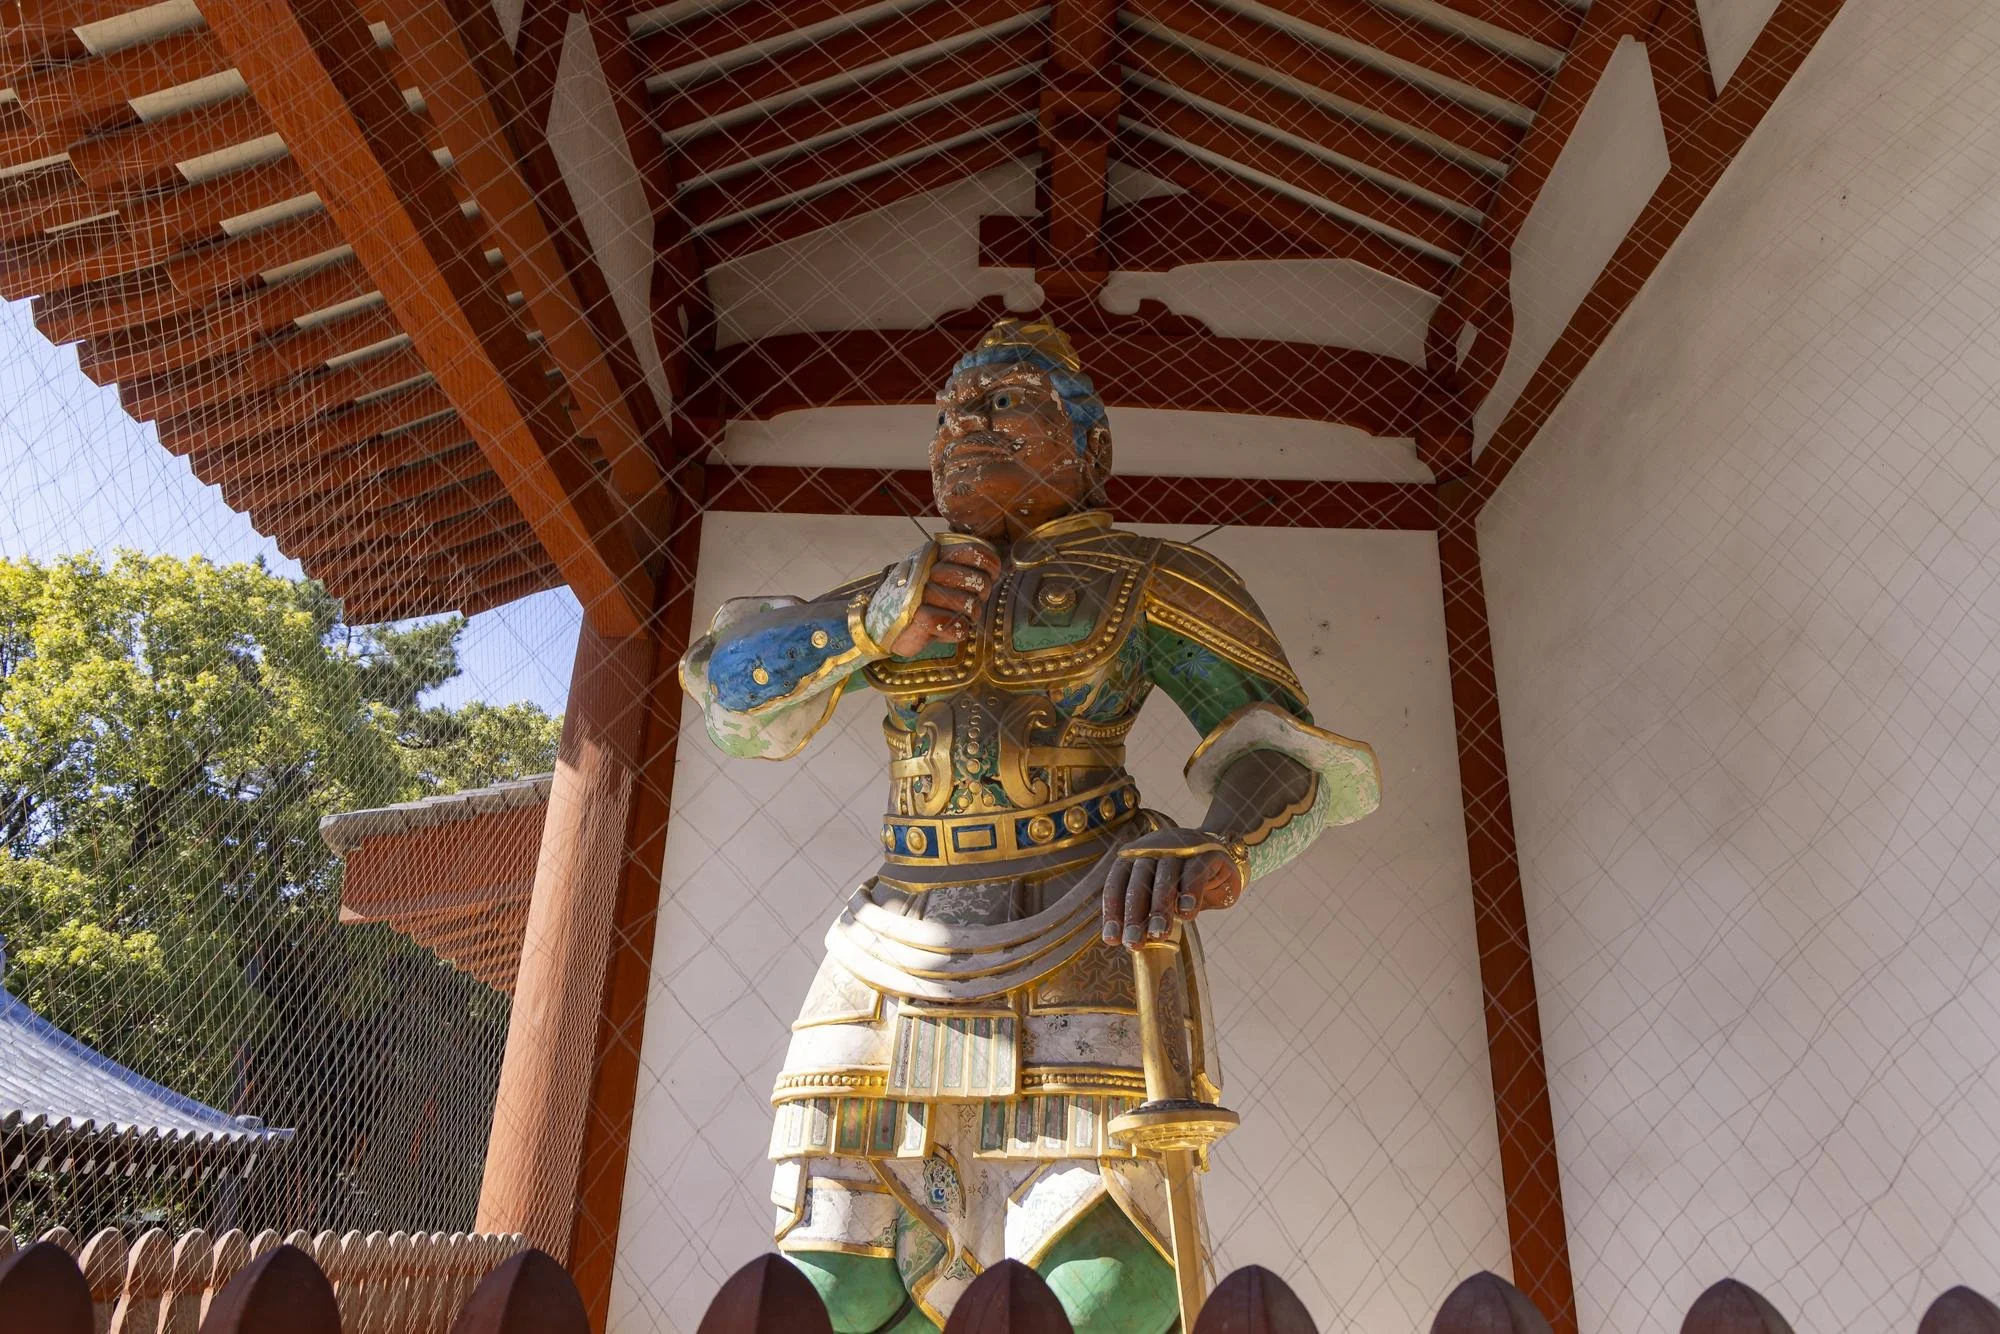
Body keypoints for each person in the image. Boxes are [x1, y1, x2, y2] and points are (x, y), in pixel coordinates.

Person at [680, 318, 1380, 1332]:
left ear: (1092, 451)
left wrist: (1213, 837)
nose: (968, 423)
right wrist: (868, 621)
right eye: (950, 411)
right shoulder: (903, 594)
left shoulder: (1152, 578)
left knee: (1104, 1285)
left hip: (1089, 925)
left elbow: (1282, 751)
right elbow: (731, 696)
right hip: (890, 946)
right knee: (833, 1283)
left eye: (1007, 403)